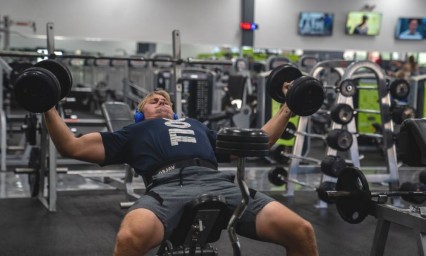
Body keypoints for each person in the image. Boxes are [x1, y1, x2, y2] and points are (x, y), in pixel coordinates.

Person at [43, 88, 319, 256]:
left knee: (301, 231)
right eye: (154, 101)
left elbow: (260, 140)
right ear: (140, 114)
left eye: (166, 101)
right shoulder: (132, 132)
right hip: (166, 189)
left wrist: (289, 106)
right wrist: (47, 104)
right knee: (129, 238)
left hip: (219, 184)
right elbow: (72, 146)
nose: (163, 102)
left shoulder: (196, 126)